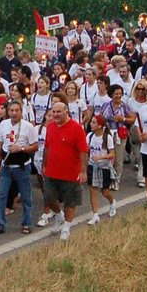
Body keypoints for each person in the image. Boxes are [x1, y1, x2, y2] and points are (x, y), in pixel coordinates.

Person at [39, 98, 88, 242]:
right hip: (52, 171)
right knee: (48, 197)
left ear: (66, 112)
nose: (55, 114)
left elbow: (83, 151)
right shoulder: (51, 127)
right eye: (53, 112)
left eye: (58, 112)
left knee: (70, 201)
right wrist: (44, 164)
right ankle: (59, 216)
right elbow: (47, 147)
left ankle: (66, 226)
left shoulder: (76, 128)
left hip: (70, 172)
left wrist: (83, 171)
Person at [0, 100, 38, 235]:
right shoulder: (3, 124)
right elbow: (0, 144)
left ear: (21, 111)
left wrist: (21, 148)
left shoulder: (28, 127)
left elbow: (35, 146)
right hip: (6, 166)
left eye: (17, 110)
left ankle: (27, 223)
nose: (14, 113)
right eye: (11, 110)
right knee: (1, 195)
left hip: (22, 166)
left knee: (26, 196)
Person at [85, 112, 118, 225]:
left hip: (104, 167)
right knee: (92, 189)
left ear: (100, 125)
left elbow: (112, 154)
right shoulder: (89, 136)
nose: (91, 124)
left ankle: (112, 201)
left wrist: (101, 157)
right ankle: (95, 214)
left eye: (94, 122)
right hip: (92, 165)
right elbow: (86, 150)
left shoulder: (106, 137)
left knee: (104, 191)